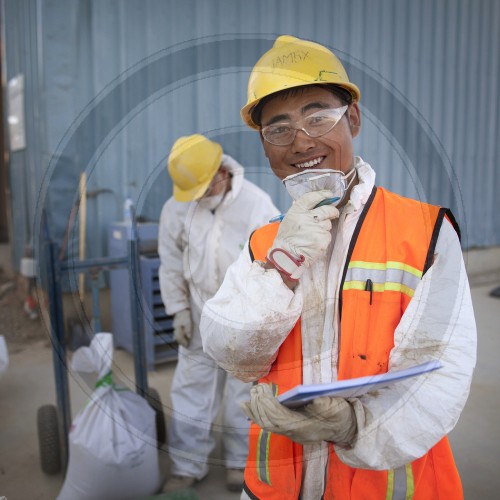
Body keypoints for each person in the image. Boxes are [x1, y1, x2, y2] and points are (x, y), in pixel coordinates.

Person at [200, 35, 477, 499]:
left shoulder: (425, 233)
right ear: (265, 146)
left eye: (318, 116)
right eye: (279, 128)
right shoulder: (265, 243)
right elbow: (232, 355)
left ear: (352, 119)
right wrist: (281, 267)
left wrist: (355, 425)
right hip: (277, 487)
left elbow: (443, 371)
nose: (302, 140)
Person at [158, 133, 279, 493]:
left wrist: (263, 317)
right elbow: (170, 264)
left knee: (242, 391)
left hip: (243, 313)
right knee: (191, 387)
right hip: (198, 312)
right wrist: (179, 310)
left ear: (221, 173)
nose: (197, 199)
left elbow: (274, 265)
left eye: (202, 189)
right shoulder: (175, 209)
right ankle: (186, 464)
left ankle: (238, 462)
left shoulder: (257, 205)